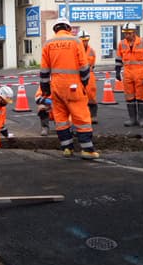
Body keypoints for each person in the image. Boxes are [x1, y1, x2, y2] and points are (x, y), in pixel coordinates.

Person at [40, 17, 99, 159]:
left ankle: (67, 148)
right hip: (73, 86)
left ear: (55, 29)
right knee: (81, 117)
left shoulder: (48, 43)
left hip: (56, 87)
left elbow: (44, 70)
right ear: (68, 28)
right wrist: (84, 83)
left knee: (61, 119)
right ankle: (87, 150)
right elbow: (84, 67)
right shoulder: (76, 41)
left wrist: (45, 89)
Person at [115, 22, 143, 128]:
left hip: (140, 73)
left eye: (129, 33)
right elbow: (118, 59)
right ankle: (132, 119)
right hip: (127, 73)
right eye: (125, 33)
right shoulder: (121, 44)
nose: (126, 35)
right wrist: (117, 71)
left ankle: (141, 119)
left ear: (134, 32)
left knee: (141, 97)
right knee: (129, 96)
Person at [77, 29, 98, 124]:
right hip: (78, 75)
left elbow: (92, 64)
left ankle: (93, 115)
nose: (84, 43)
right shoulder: (76, 51)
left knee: (91, 95)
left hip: (90, 75)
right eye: (82, 41)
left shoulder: (91, 51)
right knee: (79, 96)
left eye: (86, 41)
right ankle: (82, 115)